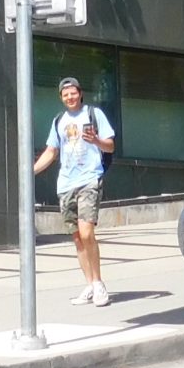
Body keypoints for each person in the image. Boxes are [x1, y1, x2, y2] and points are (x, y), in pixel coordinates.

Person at [32, 75, 117, 306]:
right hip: (66, 184)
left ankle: (98, 284)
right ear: (61, 97)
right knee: (78, 238)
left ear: (80, 94)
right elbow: (51, 151)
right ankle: (89, 285)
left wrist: (96, 140)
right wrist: (30, 172)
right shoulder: (59, 121)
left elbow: (110, 145)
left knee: (87, 233)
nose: (70, 97)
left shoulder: (93, 114)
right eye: (65, 94)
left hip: (89, 179)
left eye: (73, 93)